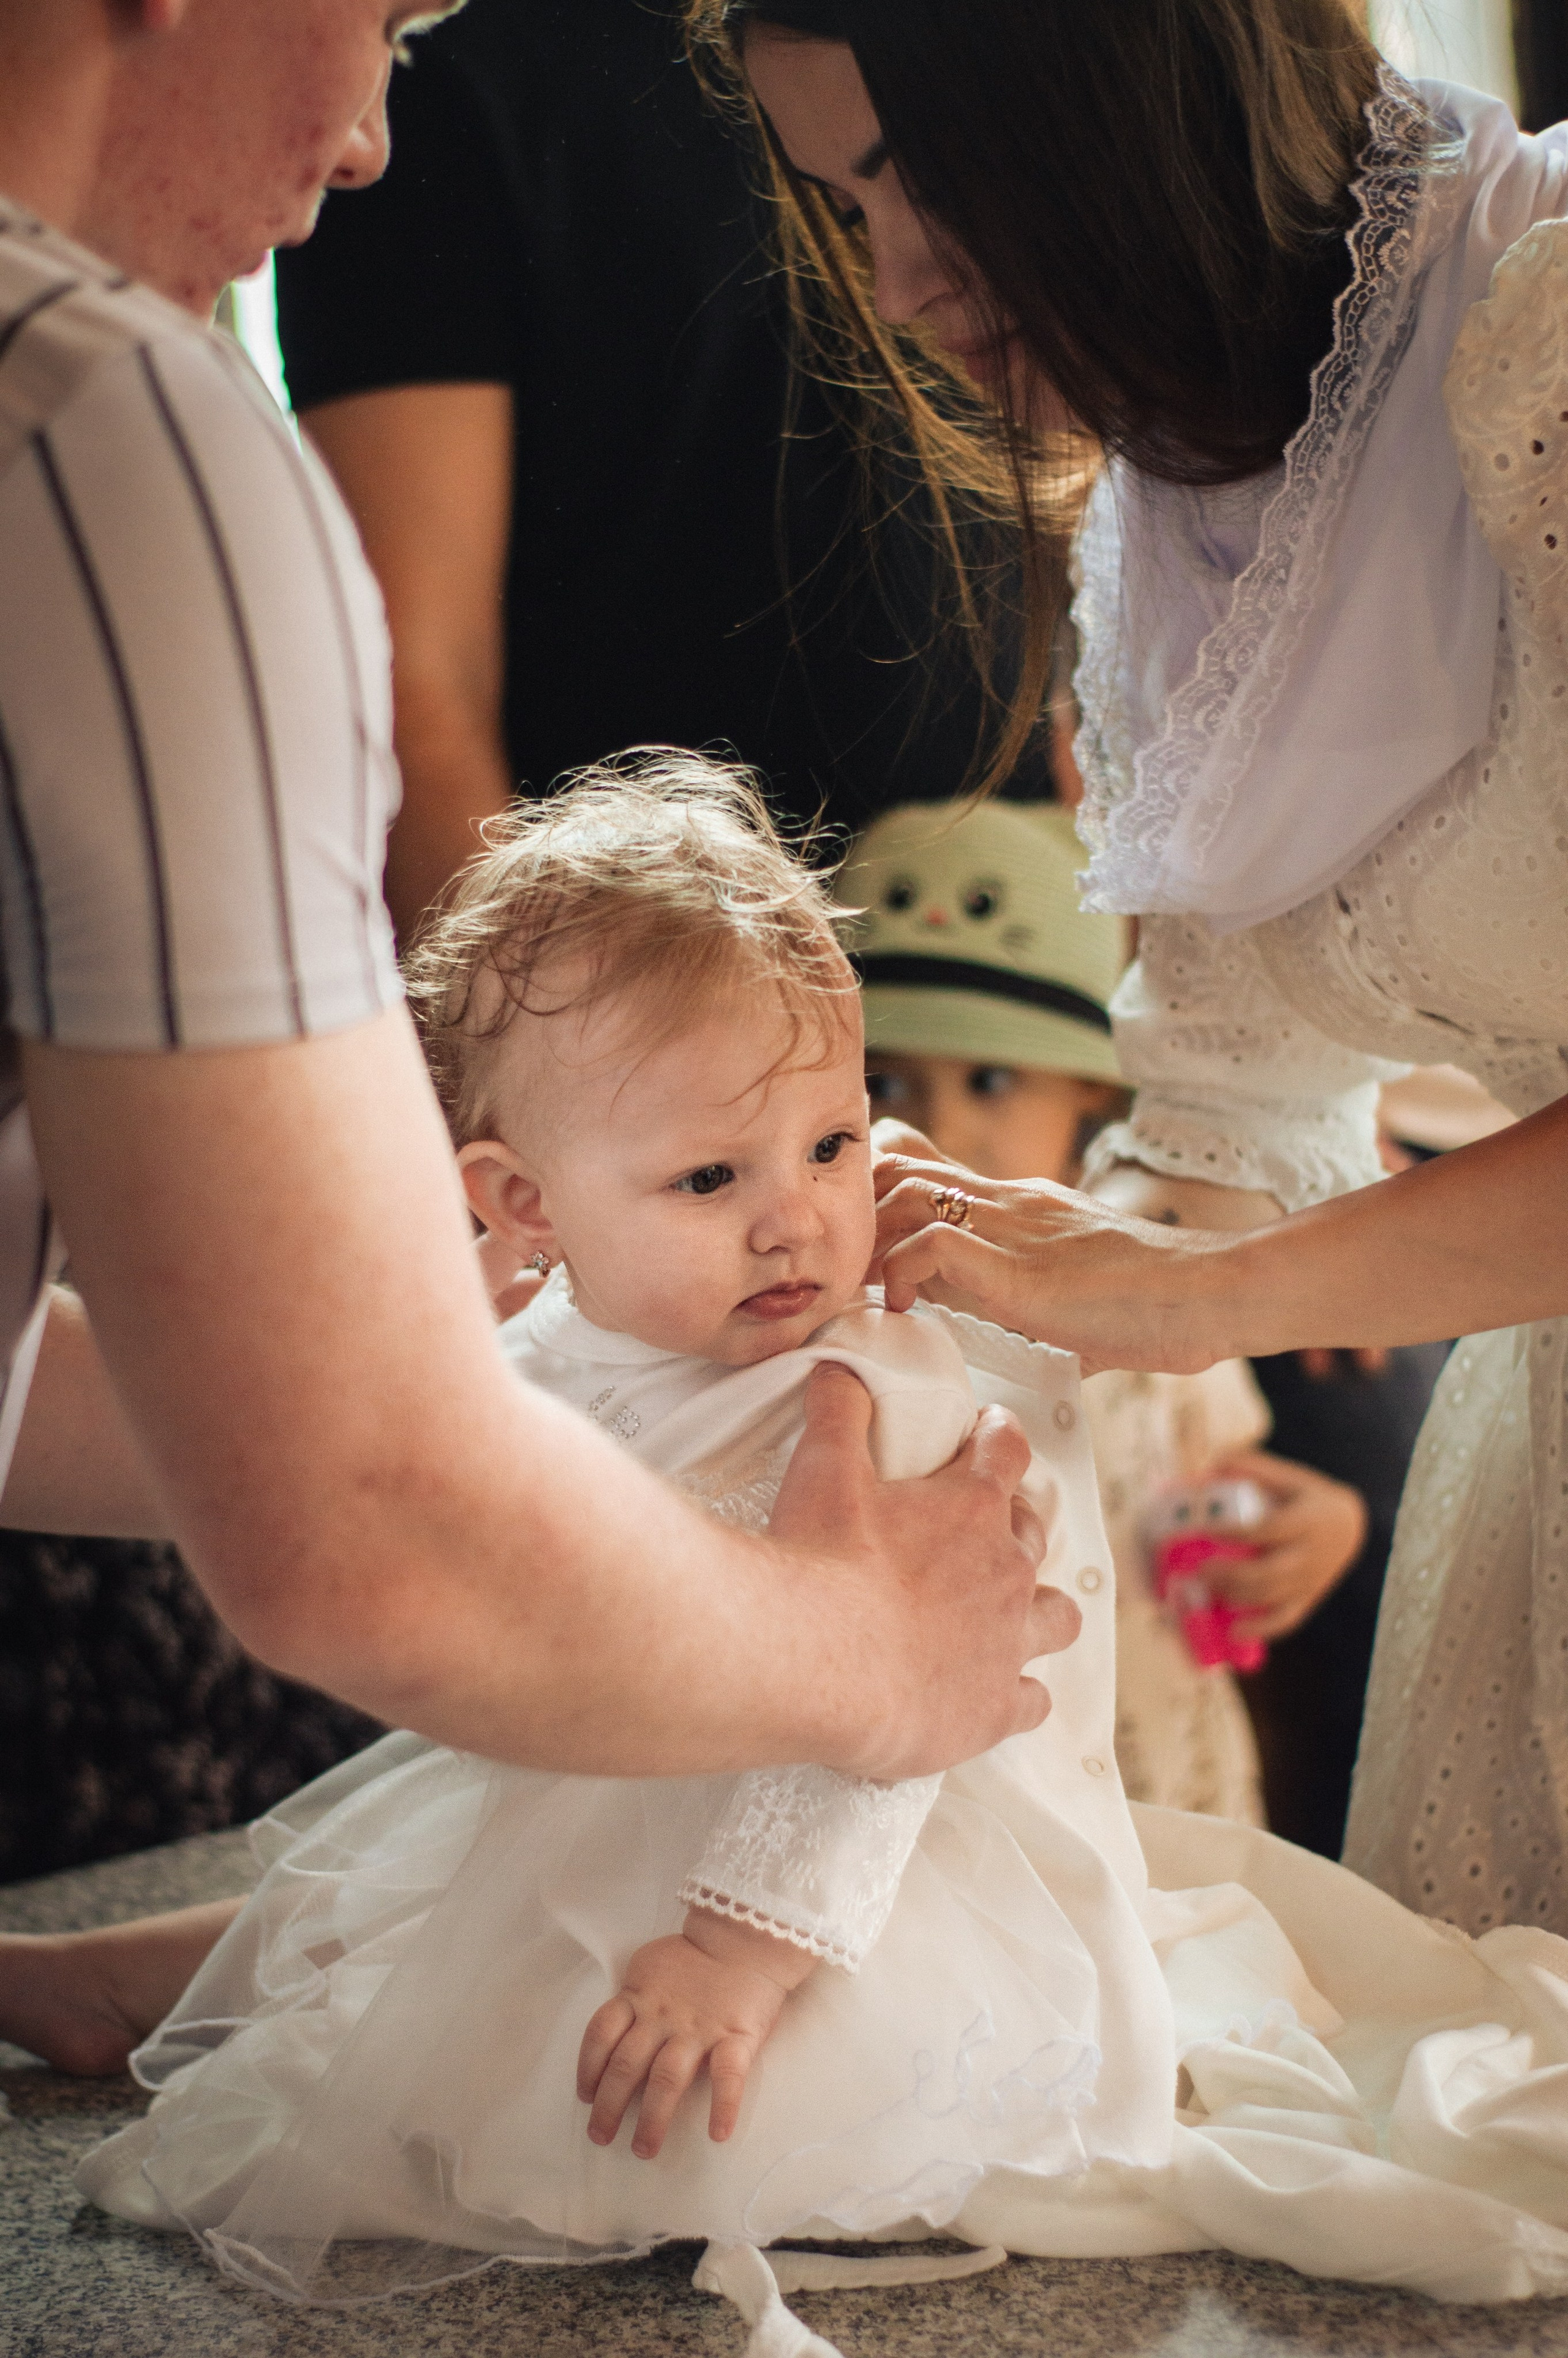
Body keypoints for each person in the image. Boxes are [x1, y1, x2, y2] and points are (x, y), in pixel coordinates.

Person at [28, 760, 1568, 2333]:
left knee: (624, 2080)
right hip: (627, 1800)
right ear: (523, 1203)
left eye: (833, 1143)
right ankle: (131, 1984)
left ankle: (227, 1987)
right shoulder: (548, 1331)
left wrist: (739, 1952)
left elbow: (901, 1722)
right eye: (711, 1177)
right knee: (415, 1898)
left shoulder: (872, 1384)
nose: (796, 1220)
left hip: (837, 1881)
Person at [0, 0, 1065, 1821]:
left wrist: (514, 1393)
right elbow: (358, 1525)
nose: (369, 142)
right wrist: (871, 1658)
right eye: (392, 19)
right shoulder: (94, 420)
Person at [685, 0, 1568, 1929]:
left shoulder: (1550, 345)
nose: (901, 284)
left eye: (918, 179)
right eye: (851, 208)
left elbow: (1215, 1262)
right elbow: (1227, 1119)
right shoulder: (1175, 530)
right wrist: (903, 1322)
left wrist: (1200, 1301)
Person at [272, 0, 1052, 941]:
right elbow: (415, 683)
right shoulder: (433, 63)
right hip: (674, 968)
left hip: (1024, 935)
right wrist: (536, 1050)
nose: (894, 294)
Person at [840, 797, 1370, 1829]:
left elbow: (1221, 1488)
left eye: (993, 1080)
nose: (930, 1125)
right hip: (976, 1794)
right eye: (884, 1079)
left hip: (1158, 1768)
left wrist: (1325, 1527)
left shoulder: (1150, 1290)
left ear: (1087, 1098)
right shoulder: (853, 1332)